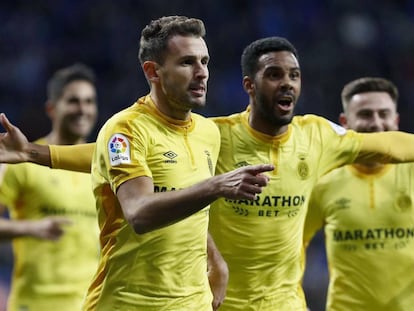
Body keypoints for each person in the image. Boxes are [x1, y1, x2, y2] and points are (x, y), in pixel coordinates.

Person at [2, 35, 414, 311]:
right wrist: (38, 153)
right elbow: (111, 155)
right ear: (250, 86)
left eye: (294, 75)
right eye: (274, 75)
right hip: (221, 302)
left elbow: (390, 144)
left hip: (285, 304)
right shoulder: (216, 136)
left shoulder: (319, 136)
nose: (287, 84)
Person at [303, 77, 414, 311]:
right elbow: (294, 247)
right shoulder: (324, 180)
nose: (376, 123)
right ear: (345, 122)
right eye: (365, 114)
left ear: (396, 120)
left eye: (384, 114)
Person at [0, 63, 100, 311]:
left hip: (91, 304)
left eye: (89, 102)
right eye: (74, 101)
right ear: (52, 108)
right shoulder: (23, 162)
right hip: (36, 304)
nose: (83, 109)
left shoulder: (102, 165)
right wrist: (32, 227)